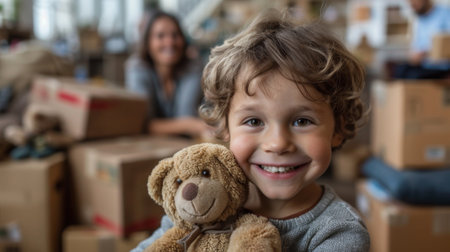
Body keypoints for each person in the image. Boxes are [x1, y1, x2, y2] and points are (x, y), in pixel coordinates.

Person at [133, 9, 370, 251]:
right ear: (224, 127)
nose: (277, 144)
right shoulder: (202, 203)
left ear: (338, 128)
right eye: (254, 122)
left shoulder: (340, 233)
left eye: (302, 121)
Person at [125, 10, 211, 138]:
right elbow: (141, 124)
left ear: (183, 40)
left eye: (175, 35)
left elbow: (185, 113)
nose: (170, 42)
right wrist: (191, 125)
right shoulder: (137, 68)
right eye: (160, 36)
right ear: (147, 43)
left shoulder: (194, 67)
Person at [394, 0, 450, 79]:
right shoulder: (420, 20)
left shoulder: (445, 14)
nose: (413, 7)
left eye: (415, 3)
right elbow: (417, 46)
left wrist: (426, 53)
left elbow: (447, 44)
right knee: (401, 70)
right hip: (424, 65)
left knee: (413, 76)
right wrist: (414, 56)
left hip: (441, 67)